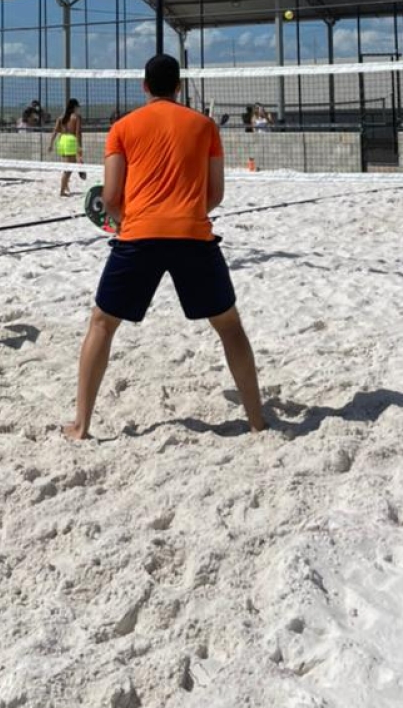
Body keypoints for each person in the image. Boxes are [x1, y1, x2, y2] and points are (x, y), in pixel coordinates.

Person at [63, 53, 266, 441]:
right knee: (229, 326)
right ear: (178, 86)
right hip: (193, 234)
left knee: (103, 324)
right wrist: (185, 213)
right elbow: (216, 194)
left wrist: (123, 218)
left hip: (139, 235)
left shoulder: (122, 127)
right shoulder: (205, 126)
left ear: (144, 87)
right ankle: (257, 421)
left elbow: (109, 195)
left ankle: (81, 425)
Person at [49, 98, 83, 198]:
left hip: (62, 141)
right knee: (69, 168)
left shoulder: (61, 117)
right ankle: (62, 190)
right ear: (74, 107)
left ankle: (66, 185)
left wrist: (51, 144)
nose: (78, 109)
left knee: (68, 166)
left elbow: (55, 131)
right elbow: (78, 133)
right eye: (77, 107)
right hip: (70, 141)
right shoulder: (76, 117)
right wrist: (79, 147)